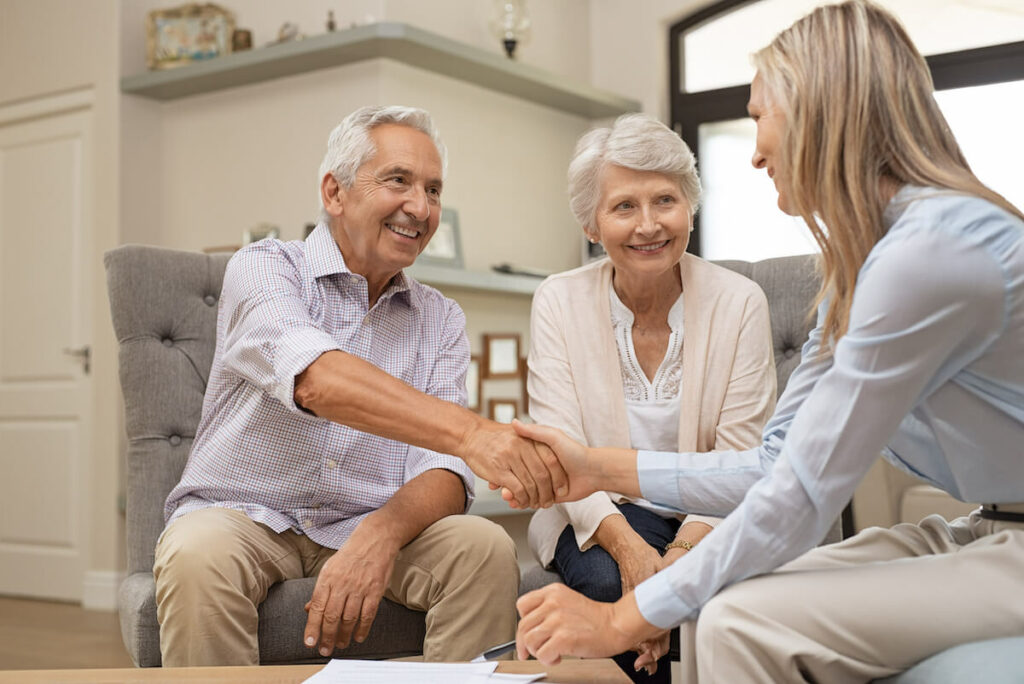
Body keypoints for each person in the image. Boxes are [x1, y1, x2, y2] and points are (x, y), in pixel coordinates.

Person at [512, 2, 1024, 681]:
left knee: (732, 618)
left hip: (1010, 543)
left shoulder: (930, 254)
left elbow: (803, 496)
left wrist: (620, 620)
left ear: (816, 113)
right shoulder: (863, 267)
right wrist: (597, 469)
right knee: (731, 597)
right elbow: (772, 463)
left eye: (759, 115)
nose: (753, 151)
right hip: (985, 528)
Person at [153, 105, 567, 666]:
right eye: (398, 181)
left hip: (364, 518)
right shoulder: (265, 267)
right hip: (243, 514)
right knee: (195, 554)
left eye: (434, 190)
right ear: (335, 192)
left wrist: (381, 532)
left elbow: (443, 472)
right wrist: (474, 436)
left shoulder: (439, 317)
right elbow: (317, 380)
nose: (420, 208)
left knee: (484, 548)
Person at [524, 113, 776, 682]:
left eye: (665, 200)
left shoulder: (740, 303)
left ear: (690, 205)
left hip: (709, 515)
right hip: (596, 516)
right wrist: (639, 560)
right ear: (592, 223)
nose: (648, 225)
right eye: (623, 207)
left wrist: (676, 566)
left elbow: (741, 459)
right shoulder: (557, 301)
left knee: (712, 604)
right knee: (612, 585)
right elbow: (562, 457)